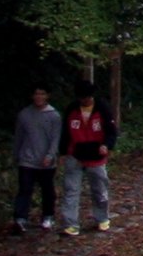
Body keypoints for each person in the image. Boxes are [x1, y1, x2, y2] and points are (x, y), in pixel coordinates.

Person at [61, 91, 116, 236]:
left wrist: (107, 145)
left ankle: (102, 218)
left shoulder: (102, 108)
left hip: (96, 157)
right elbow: (65, 132)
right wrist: (63, 152)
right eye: (82, 97)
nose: (85, 100)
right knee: (71, 190)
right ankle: (70, 224)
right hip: (75, 155)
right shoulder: (72, 109)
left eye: (88, 97)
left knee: (99, 189)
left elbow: (111, 131)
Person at [10, 88, 62, 233]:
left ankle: (48, 216)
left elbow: (55, 138)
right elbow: (19, 136)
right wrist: (16, 155)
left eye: (42, 94)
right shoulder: (24, 114)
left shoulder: (54, 115)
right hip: (27, 159)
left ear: (47, 96)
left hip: (46, 161)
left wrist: (50, 155)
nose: (39, 97)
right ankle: (20, 218)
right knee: (25, 189)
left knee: (47, 190)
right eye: (36, 94)